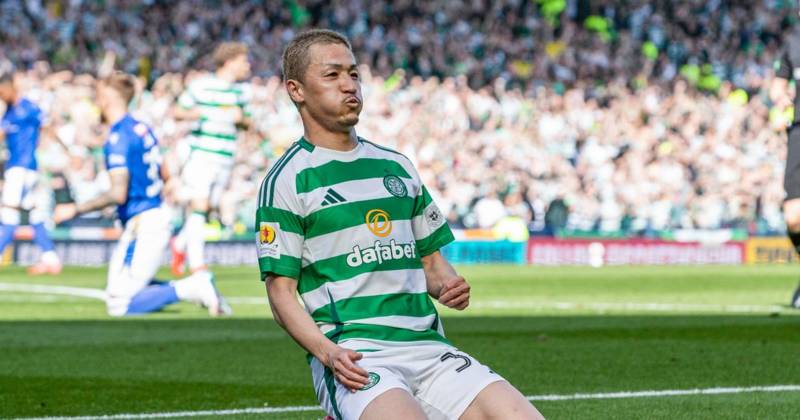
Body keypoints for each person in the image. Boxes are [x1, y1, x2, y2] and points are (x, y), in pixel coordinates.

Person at [256, 30, 544, 420]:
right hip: (356, 354)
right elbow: (281, 294)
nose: (349, 85)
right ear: (296, 90)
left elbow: (432, 264)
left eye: (354, 74)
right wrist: (328, 353)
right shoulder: (288, 179)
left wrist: (448, 285)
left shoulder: (397, 166)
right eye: (332, 75)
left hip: (430, 348)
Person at [53, 72, 231, 317]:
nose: (96, 103)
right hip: (152, 216)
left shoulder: (118, 136)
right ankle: (193, 287)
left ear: (107, 99)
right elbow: (163, 166)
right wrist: (169, 182)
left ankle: (194, 286)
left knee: (119, 304)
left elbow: (118, 193)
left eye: (98, 96)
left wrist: (75, 209)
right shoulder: (141, 128)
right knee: (122, 289)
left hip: (144, 222)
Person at [170, 42, 252, 276]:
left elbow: (247, 122)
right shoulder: (202, 86)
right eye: (243, 61)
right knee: (199, 204)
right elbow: (177, 111)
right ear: (229, 62)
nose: (247, 65)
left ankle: (179, 244)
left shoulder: (240, 92)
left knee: (208, 208)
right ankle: (197, 264)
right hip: (202, 153)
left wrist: (242, 120)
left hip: (225, 158)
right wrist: (193, 114)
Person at [0, 65, 62, 274]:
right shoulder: (8, 112)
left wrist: (66, 150)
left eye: (1, 92)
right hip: (26, 169)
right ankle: (51, 259)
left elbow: (47, 127)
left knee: (9, 214)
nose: (0, 96)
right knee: (35, 215)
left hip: (21, 169)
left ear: (10, 87)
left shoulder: (27, 108)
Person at [772, 16, 800, 309]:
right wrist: (780, 100)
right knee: (793, 216)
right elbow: (777, 86)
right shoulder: (793, 43)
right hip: (799, 132)